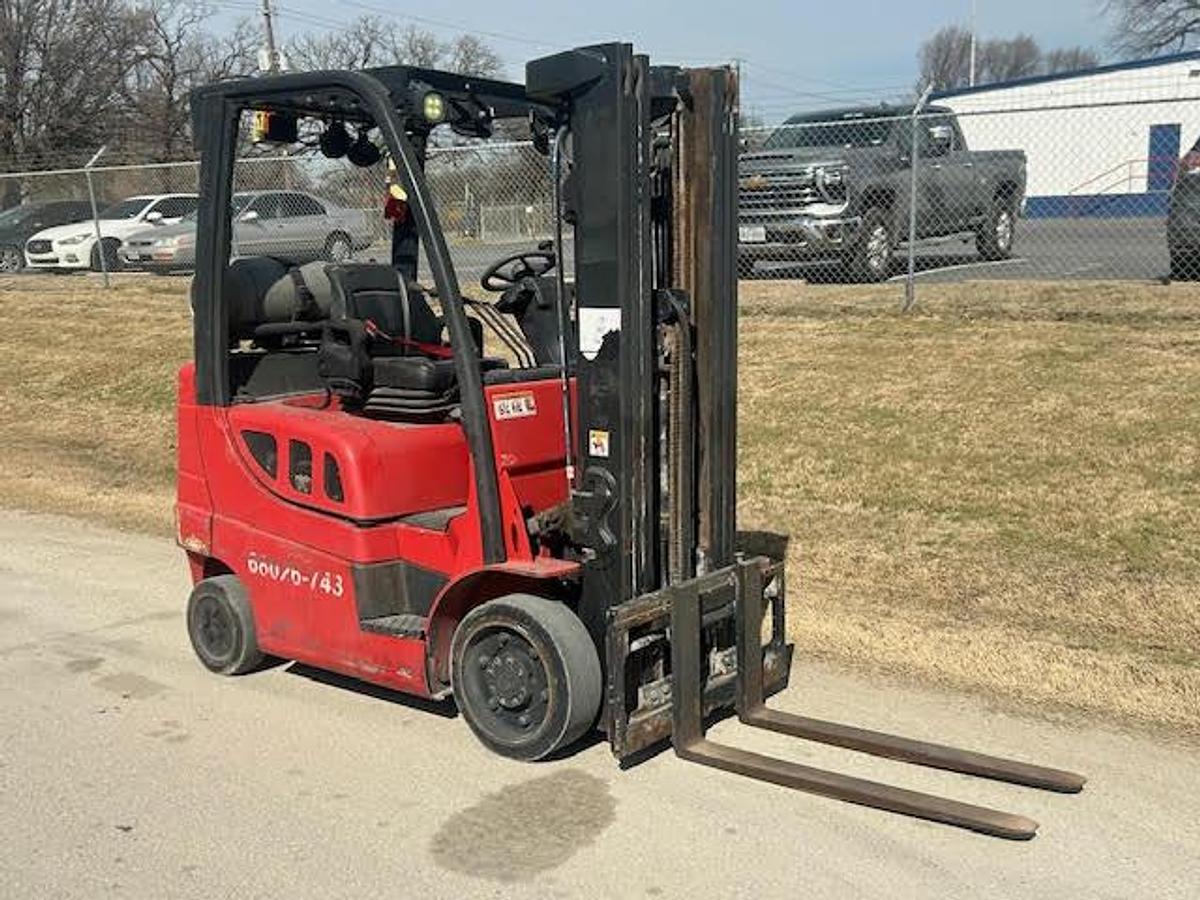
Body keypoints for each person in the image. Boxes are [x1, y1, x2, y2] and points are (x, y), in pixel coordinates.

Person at [384, 165, 419, 283]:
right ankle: (402, 280)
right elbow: (391, 174)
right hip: (400, 194)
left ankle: (405, 280)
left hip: (403, 194)